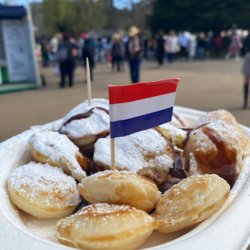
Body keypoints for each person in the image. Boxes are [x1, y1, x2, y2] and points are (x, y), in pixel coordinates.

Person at [241, 32, 250, 109]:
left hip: (248, 57)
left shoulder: (247, 38)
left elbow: (243, 49)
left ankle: (245, 103)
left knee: (246, 81)